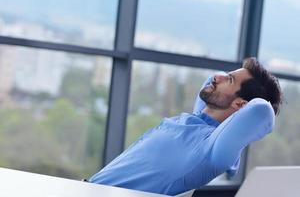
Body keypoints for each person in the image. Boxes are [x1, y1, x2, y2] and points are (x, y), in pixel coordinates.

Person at [89, 57, 283, 195]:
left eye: (229, 79)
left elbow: (261, 111)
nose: (218, 77)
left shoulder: (215, 151)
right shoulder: (191, 120)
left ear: (240, 104)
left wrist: (250, 104)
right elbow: (210, 81)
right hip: (86, 188)